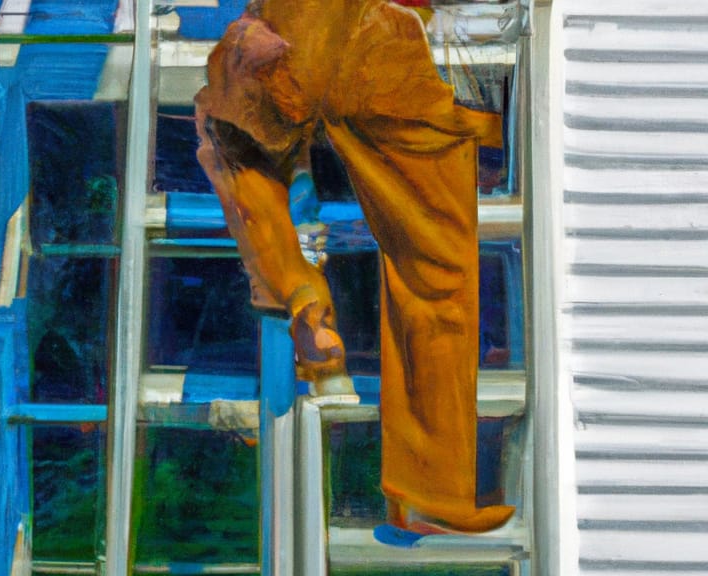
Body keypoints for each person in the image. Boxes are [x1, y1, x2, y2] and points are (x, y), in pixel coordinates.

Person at [194, 0, 515, 535]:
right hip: (383, 44)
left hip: (288, 36)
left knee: (235, 145)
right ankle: (429, 489)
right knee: (435, 267)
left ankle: (302, 294)